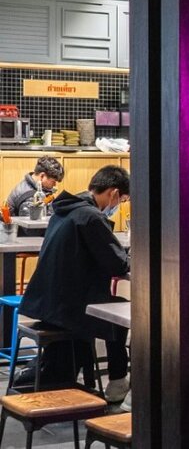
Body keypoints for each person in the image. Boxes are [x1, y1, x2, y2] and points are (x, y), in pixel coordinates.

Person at [19, 165, 131, 401]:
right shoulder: (91, 217)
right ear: (113, 193)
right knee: (119, 315)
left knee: (112, 308)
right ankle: (118, 383)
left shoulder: (66, 209)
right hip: (68, 307)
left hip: (45, 299)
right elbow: (118, 264)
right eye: (122, 200)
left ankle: (102, 380)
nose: (119, 206)